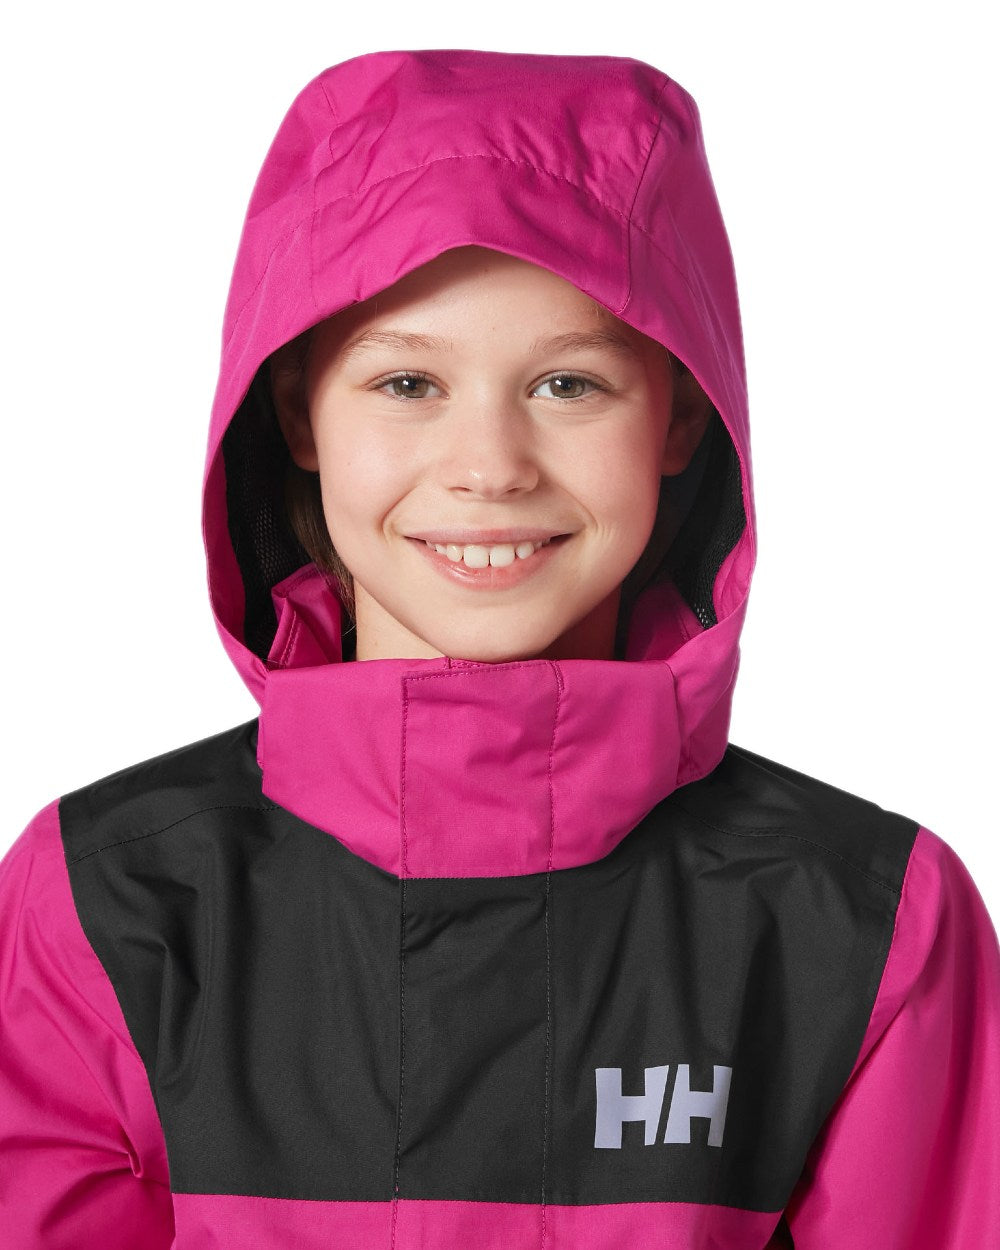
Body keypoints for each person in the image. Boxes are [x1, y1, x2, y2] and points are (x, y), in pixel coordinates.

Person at [0, 47, 997, 1250]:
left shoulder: (862, 923)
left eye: (569, 384)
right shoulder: (105, 902)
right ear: (297, 411)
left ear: (681, 415)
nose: (489, 466)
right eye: (406, 381)